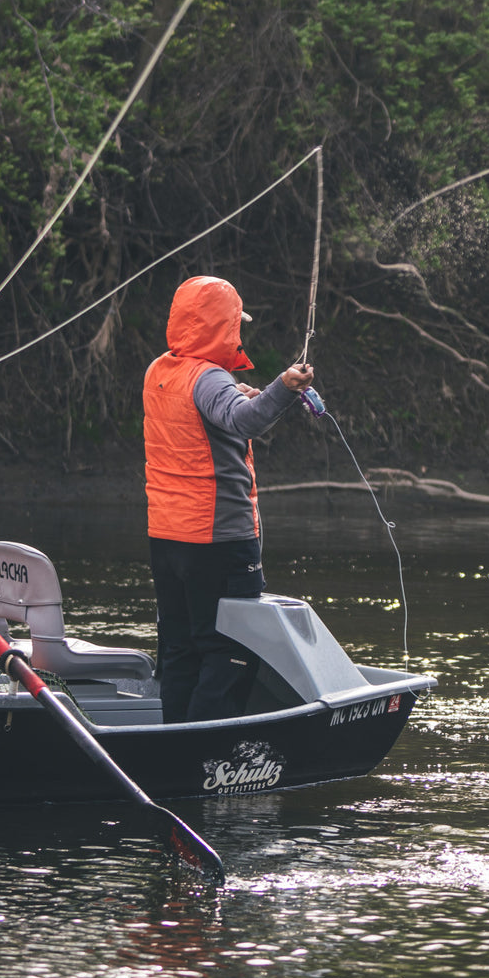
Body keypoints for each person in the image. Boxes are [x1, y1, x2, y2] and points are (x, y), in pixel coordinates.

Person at [143, 275, 314, 723]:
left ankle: (174, 743)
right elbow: (245, 422)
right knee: (233, 650)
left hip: (167, 539)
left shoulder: (160, 371)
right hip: (218, 541)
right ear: (222, 327)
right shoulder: (209, 378)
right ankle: (204, 756)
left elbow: (206, 413)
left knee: (180, 649)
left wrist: (236, 393)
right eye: (235, 325)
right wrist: (284, 388)